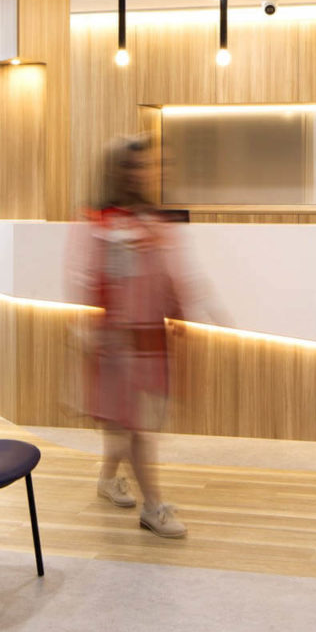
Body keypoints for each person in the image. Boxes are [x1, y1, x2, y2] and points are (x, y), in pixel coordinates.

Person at [74, 135, 190, 538]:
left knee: (127, 424)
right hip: (122, 341)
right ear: (117, 172)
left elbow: (163, 273)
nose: (143, 173)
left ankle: (108, 478)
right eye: (134, 167)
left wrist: (177, 304)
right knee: (137, 426)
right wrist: (110, 336)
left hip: (150, 338)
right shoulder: (108, 225)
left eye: (146, 166)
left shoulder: (149, 221)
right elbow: (102, 283)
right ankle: (153, 506)